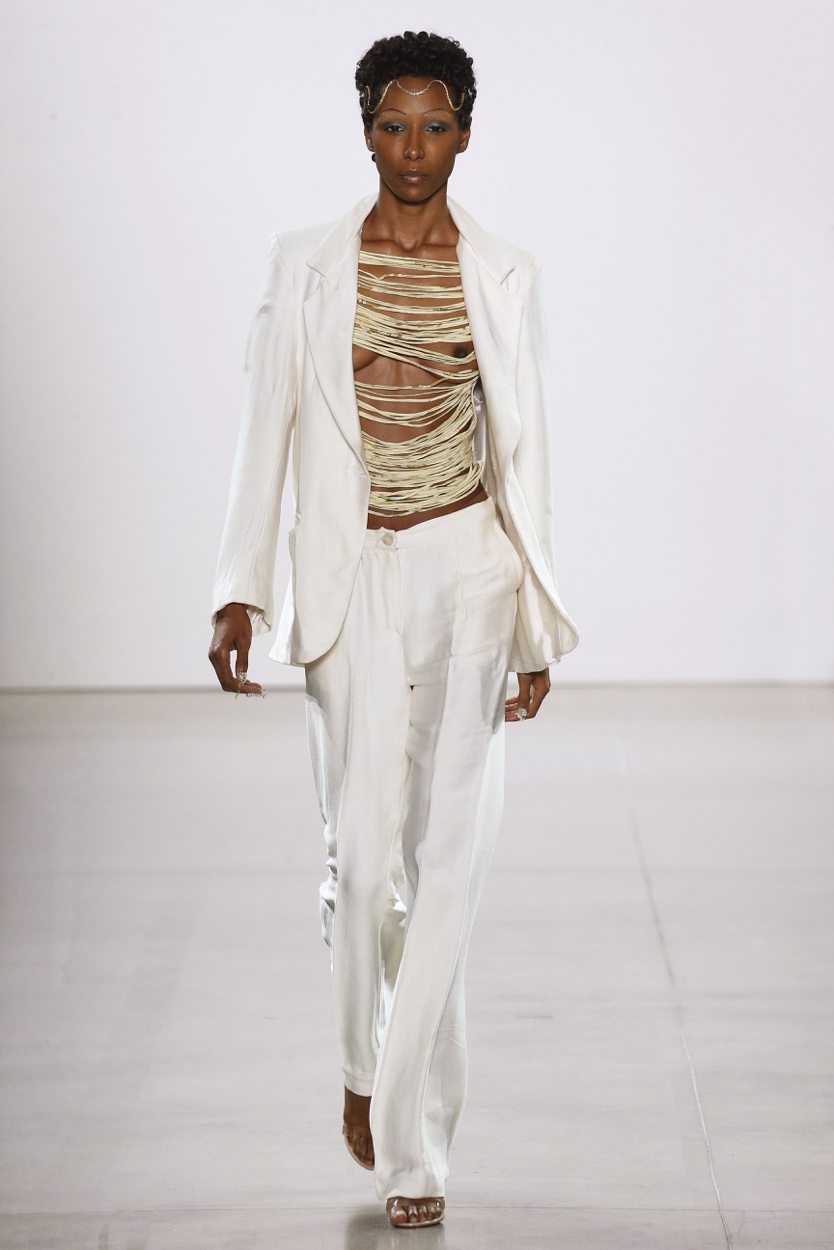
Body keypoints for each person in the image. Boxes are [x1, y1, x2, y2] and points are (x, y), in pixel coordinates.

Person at [208, 30, 578, 1230]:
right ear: (364, 129)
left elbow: (528, 458)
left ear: (466, 130)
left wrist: (533, 627)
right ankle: (364, 1060)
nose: (413, 148)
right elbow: (266, 426)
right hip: (351, 570)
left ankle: (414, 1146)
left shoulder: (506, 273)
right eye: (392, 124)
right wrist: (239, 585)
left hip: (468, 565)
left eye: (434, 124)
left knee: (449, 861)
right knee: (364, 865)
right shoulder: (308, 264)